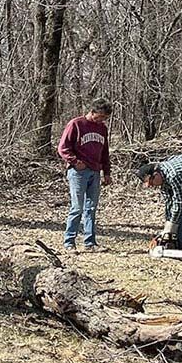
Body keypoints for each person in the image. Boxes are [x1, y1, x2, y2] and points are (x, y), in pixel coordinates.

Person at [57, 97, 113, 251]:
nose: (101, 120)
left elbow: (105, 152)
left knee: (91, 208)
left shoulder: (102, 129)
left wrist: (106, 171)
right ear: (93, 111)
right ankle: (69, 242)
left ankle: (90, 242)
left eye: (105, 118)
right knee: (77, 207)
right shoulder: (76, 124)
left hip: (95, 171)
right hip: (78, 172)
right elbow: (63, 147)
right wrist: (75, 161)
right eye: (100, 116)